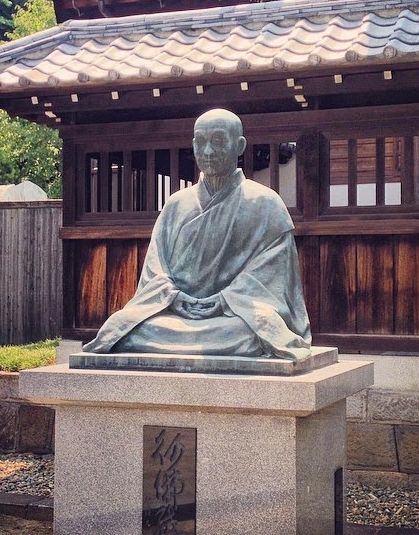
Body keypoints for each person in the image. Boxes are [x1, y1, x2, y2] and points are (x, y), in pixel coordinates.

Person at [83, 108, 312, 361]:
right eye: (200, 142)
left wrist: (225, 300)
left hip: (234, 314)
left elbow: (272, 274)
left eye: (217, 141)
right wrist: (173, 296)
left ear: (239, 146)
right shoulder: (176, 205)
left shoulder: (266, 204)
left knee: (253, 332)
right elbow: (155, 268)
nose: (208, 152)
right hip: (174, 312)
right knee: (127, 327)